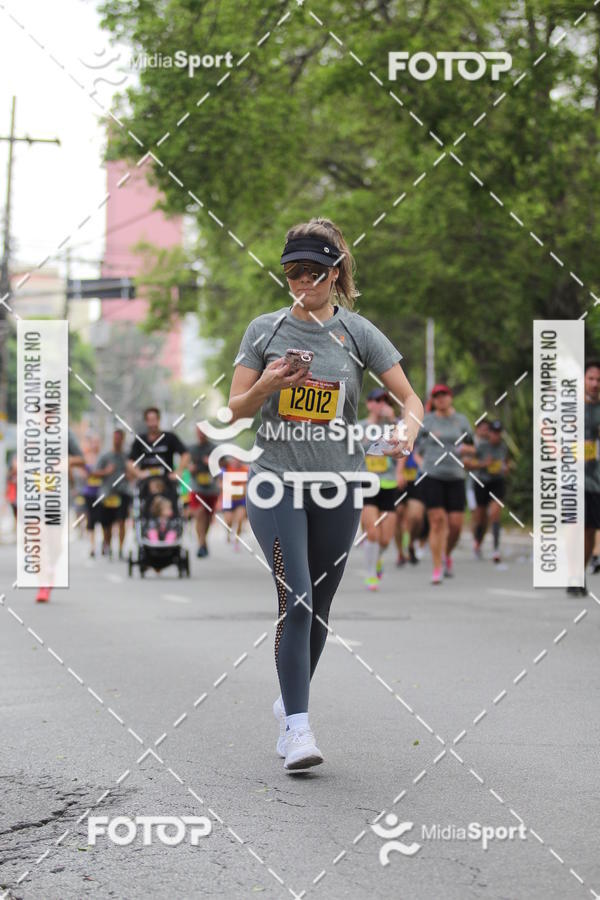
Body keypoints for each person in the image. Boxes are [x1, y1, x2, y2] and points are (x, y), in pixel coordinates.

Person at [229, 217, 423, 771]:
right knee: (298, 600)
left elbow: (410, 398)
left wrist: (407, 429)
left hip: (338, 483)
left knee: (322, 606)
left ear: (335, 274)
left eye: (314, 271)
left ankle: (291, 698)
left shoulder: (358, 333)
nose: (303, 282)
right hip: (275, 481)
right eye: (294, 272)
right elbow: (235, 407)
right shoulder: (264, 330)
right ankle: (297, 729)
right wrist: (271, 383)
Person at [415, 384, 475, 584]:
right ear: (433, 400)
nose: (440, 399)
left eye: (444, 395)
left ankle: (446, 553)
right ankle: (437, 567)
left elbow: (473, 447)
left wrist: (466, 451)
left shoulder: (462, 421)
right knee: (437, 520)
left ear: (450, 397)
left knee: (456, 525)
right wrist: (421, 464)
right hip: (432, 474)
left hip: (456, 475)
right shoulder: (428, 421)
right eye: (436, 396)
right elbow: (415, 447)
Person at [359, 388, 401, 590]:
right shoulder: (360, 427)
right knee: (373, 533)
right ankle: (370, 575)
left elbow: (404, 446)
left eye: (384, 401)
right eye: (376, 400)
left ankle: (378, 558)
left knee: (385, 539)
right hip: (366, 483)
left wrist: (393, 420)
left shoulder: (393, 427)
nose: (380, 404)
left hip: (388, 483)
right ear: (369, 404)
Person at [569, 360, 600, 596]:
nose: (595, 384)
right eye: (591, 379)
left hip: (596, 478)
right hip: (572, 477)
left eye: (598, 380)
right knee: (575, 526)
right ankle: (573, 574)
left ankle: (580, 572)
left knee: (590, 529)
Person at [472, 419, 510, 563]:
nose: (496, 436)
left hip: (497, 482)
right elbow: (469, 463)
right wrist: (483, 464)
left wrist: (505, 468)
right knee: (481, 518)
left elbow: (506, 462)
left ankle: (496, 549)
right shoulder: (482, 447)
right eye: (493, 432)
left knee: (495, 514)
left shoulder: (503, 447)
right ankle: (478, 541)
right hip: (482, 483)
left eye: (498, 433)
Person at [95, 428, 133, 560]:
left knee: (122, 521)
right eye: (115, 438)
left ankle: (121, 548)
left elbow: (134, 472)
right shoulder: (105, 456)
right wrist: (106, 471)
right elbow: (95, 473)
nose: (117, 441)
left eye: (119, 438)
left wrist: (130, 475)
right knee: (107, 524)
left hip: (123, 492)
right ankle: (107, 545)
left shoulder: (127, 457)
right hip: (107, 493)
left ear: (122, 440)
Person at [126, 407, 190, 482]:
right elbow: (130, 462)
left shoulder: (170, 437)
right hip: (146, 483)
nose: (152, 424)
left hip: (167, 482)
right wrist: (138, 473)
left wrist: (179, 471)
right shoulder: (140, 440)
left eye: (154, 420)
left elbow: (185, 455)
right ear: (146, 421)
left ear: (159, 420)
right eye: (150, 420)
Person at [188, 425, 220, 557]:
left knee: (207, 517)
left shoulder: (214, 448)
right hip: (197, 487)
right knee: (199, 513)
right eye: (199, 432)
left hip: (211, 487)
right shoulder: (191, 449)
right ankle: (201, 544)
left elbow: (223, 464)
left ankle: (203, 541)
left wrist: (212, 463)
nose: (201, 434)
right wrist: (190, 467)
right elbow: (185, 463)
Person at [396, 449, 426, 565]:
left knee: (416, 517)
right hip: (399, 480)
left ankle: (410, 543)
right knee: (398, 515)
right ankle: (400, 553)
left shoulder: (425, 435)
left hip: (417, 481)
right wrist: (399, 471)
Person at [221, 457, 249, 550]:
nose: (236, 461)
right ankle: (228, 533)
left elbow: (247, 485)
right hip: (228, 498)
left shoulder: (245, 470)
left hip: (240, 499)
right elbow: (221, 483)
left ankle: (237, 540)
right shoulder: (226, 468)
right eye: (234, 459)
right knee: (228, 521)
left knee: (240, 519)